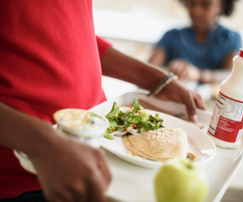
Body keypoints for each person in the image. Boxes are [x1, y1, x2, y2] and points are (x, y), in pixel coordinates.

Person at [0, 1, 205, 202]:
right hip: (23, 173)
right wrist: (40, 143)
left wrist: (159, 80)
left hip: (100, 151)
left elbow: (74, 37)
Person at [149, 0, 242, 83]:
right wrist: (169, 69)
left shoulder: (231, 39)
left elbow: (232, 75)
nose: (196, 11)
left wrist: (199, 74)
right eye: (191, 3)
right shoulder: (171, 36)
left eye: (206, 5)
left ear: (222, 4)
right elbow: (149, 69)